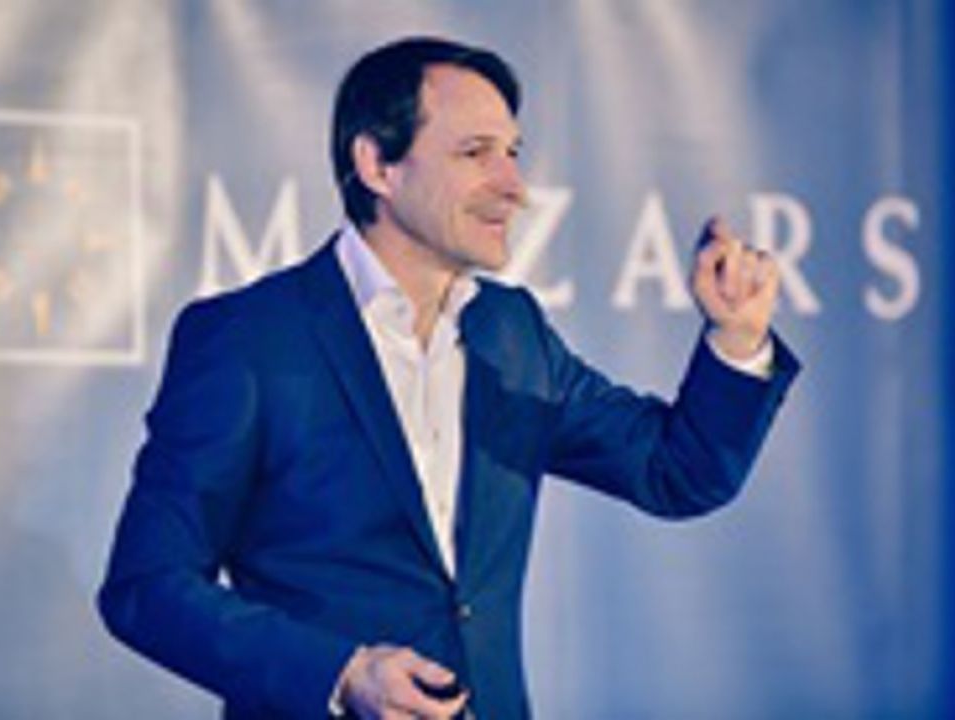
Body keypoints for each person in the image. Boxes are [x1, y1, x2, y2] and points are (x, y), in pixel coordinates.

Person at [98, 36, 799, 719]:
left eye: (512, 152)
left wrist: (737, 338)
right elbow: (147, 586)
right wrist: (342, 674)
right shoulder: (248, 337)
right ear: (378, 164)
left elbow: (675, 471)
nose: (514, 187)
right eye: (475, 152)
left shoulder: (511, 332)